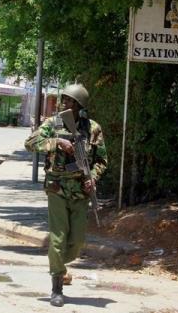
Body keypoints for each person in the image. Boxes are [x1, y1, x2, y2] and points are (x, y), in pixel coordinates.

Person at [24, 84, 107, 307]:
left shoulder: (93, 129)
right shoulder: (54, 123)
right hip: (57, 187)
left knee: (77, 241)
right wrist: (57, 142)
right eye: (65, 100)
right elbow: (30, 143)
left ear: (80, 106)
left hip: (80, 191)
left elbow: (101, 160)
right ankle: (57, 286)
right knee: (58, 239)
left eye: (70, 102)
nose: (65, 105)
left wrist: (94, 178)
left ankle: (57, 263)